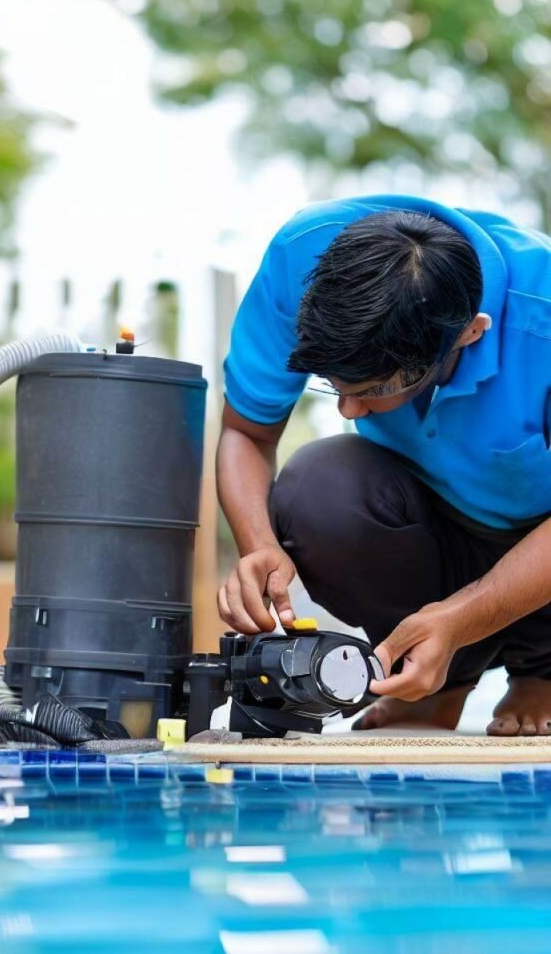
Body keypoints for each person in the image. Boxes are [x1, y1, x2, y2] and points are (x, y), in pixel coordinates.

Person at [217, 194, 551, 735]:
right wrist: (258, 546)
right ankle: (434, 684)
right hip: (433, 524)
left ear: (470, 332)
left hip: (540, 543)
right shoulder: (300, 261)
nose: (348, 411)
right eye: (334, 387)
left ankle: (544, 670)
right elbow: (245, 431)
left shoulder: (544, 318)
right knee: (317, 490)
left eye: (372, 391)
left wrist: (465, 618)